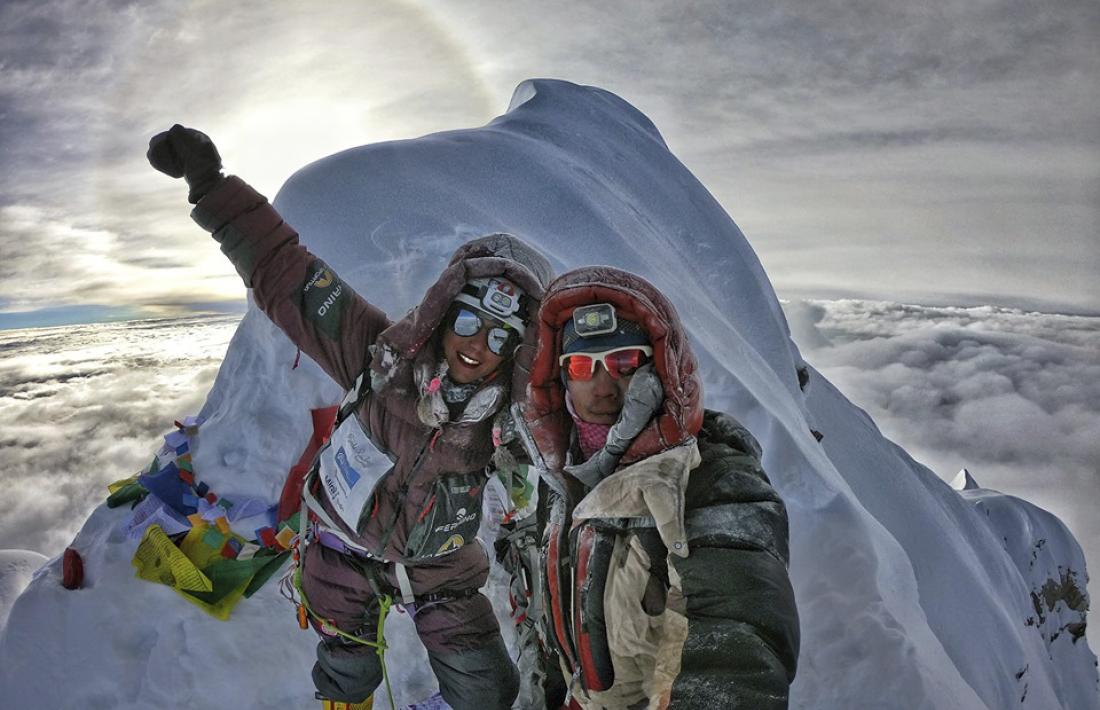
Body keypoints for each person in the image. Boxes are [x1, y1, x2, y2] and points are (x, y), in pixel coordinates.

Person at [147, 125, 553, 710]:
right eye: (467, 322)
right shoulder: (379, 355)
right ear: (442, 314)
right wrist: (211, 187)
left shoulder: (513, 415)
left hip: (440, 568)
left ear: (518, 348)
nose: (477, 345)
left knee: (489, 690)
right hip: (341, 548)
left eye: (499, 336)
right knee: (343, 674)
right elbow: (288, 274)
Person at [515, 266, 800, 709]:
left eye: (624, 362)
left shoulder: (716, 479)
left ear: (661, 370)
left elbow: (740, 642)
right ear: (561, 378)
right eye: (580, 366)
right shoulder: (566, 476)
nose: (603, 386)